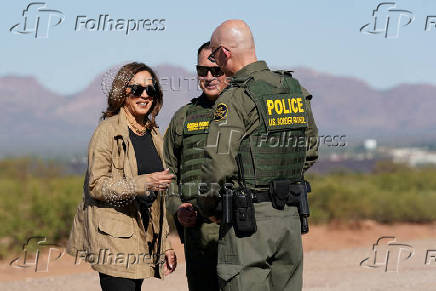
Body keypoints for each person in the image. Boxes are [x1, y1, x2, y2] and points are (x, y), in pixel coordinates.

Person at [197, 20, 319, 291]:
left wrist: (207, 208)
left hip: (247, 223)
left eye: (215, 56)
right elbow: (310, 150)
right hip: (289, 218)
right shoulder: (292, 89)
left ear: (225, 53)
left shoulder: (234, 99)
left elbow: (217, 165)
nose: (215, 64)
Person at [67, 62, 177, 291]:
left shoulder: (154, 134)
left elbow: (159, 200)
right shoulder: (107, 131)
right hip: (113, 238)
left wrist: (165, 244)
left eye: (151, 89)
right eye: (136, 89)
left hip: (142, 236)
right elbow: (96, 186)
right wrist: (142, 183)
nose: (144, 95)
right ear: (122, 92)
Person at [163, 41, 228, 291]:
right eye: (202, 71)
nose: (209, 77)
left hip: (240, 231)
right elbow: (167, 171)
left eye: (216, 70)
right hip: (198, 234)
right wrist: (177, 207)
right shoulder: (184, 117)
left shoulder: (246, 110)